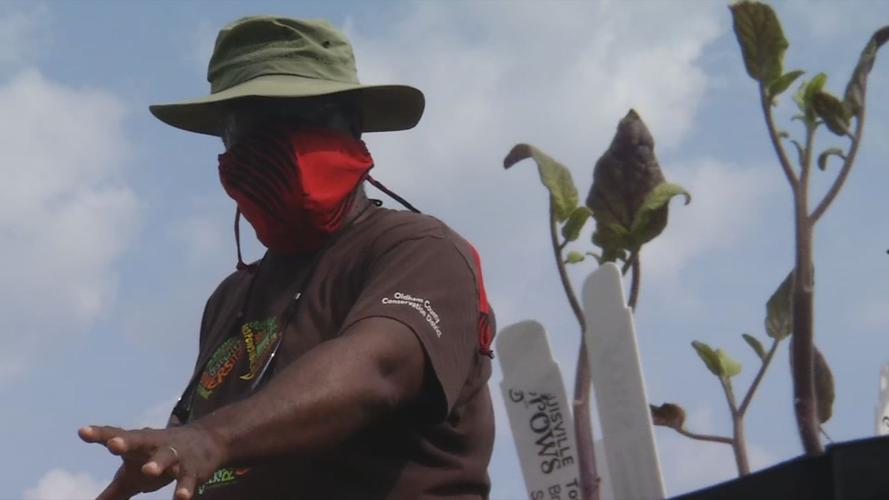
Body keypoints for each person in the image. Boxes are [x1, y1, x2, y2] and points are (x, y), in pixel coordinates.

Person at [79, 15, 496, 500]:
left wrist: (210, 438)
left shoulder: (419, 250)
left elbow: (378, 370)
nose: (272, 146)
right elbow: (195, 446)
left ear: (352, 126)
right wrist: (168, 452)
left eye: (297, 117)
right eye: (247, 128)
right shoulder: (230, 297)